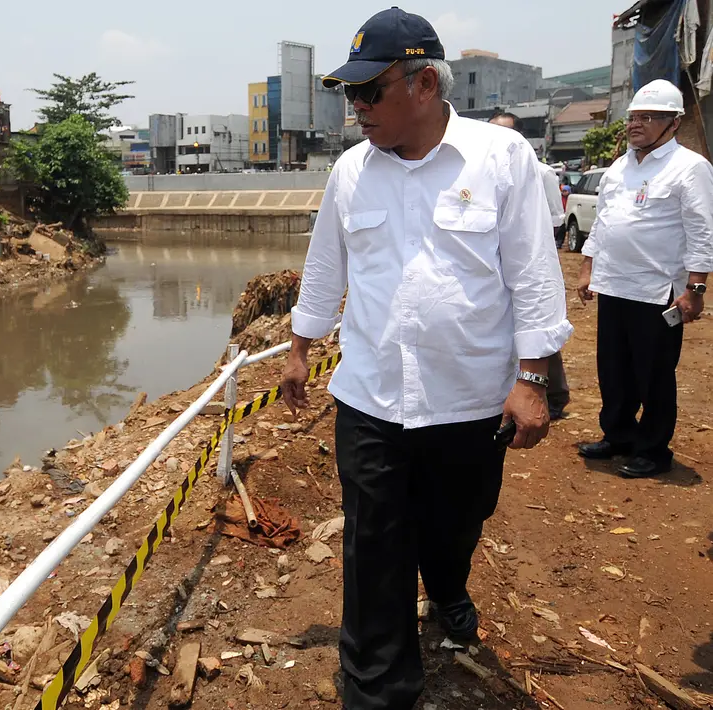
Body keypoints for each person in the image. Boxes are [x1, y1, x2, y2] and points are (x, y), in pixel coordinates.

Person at [279, 8, 572, 709]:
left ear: (424, 82)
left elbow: (533, 275)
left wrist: (532, 381)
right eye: (347, 94)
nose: (355, 109)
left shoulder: (501, 160)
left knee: (455, 524)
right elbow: (325, 268)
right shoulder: (351, 172)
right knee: (373, 546)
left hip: (469, 397)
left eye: (367, 92)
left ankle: (446, 586)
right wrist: (298, 350)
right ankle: (378, 686)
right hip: (371, 396)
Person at [575, 79, 712, 478]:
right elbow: (603, 223)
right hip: (615, 286)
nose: (637, 124)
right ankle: (618, 435)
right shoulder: (620, 166)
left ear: (673, 124)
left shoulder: (689, 168)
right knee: (613, 369)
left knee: (653, 374)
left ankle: (652, 450)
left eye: (648, 117)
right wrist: (588, 267)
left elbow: (702, 230)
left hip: (658, 292)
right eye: (633, 117)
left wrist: (695, 289)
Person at [490, 112, 572, 419]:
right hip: (494, 265)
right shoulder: (481, 168)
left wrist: (530, 255)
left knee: (537, 326)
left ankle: (553, 393)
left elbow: (552, 219)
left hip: (529, 257)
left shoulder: (541, 172)